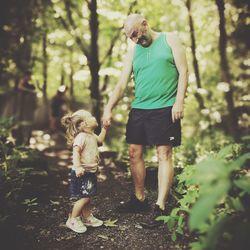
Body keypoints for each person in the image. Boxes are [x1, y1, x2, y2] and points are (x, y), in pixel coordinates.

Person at [102, 14, 188, 227]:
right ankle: (139, 199)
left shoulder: (170, 39)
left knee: (163, 154)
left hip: (166, 107)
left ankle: (160, 206)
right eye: (130, 37)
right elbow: (122, 84)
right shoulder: (133, 52)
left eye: (136, 34)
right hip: (140, 108)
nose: (134, 39)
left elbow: (184, 71)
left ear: (145, 24)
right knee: (134, 153)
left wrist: (179, 101)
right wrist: (108, 107)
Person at [61, 109, 108, 233]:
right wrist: (78, 167)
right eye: (91, 116)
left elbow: (100, 142)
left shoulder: (92, 135)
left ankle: (87, 217)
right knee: (84, 198)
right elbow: (76, 152)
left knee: (88, 196)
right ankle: (73, 219)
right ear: (83, 124)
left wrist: (105, 128)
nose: (94, 117)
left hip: (90, 172)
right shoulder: (81, 137)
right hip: (81, 172)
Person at [15, 73, 37, 145]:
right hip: (20, 111)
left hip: (28, 111)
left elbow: (34, 93)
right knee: (20, 126)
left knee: (28, 126)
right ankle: (19, 141)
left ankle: (27, 141)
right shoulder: (18, 89)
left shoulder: (31, 87)